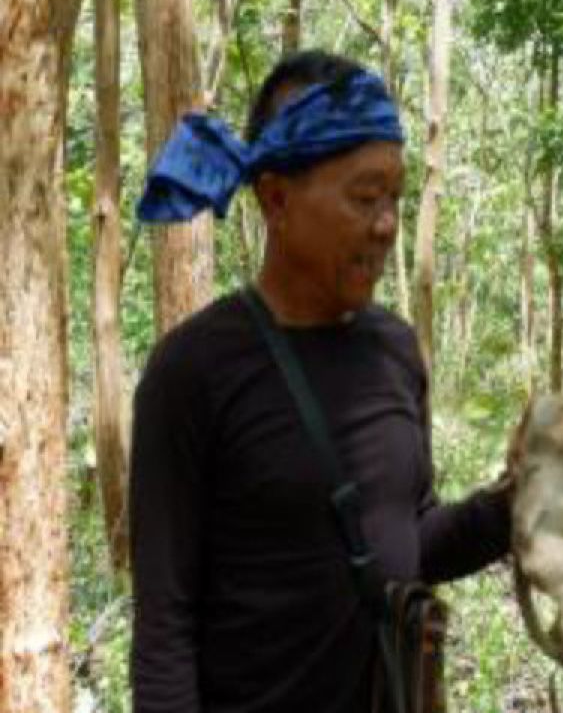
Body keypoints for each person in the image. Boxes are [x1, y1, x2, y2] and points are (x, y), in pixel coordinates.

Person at [130, 50, 512, 712]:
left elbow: (406, 538)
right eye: (365, 197)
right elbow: (165, 631)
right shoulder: (191, 373)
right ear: (277, 198)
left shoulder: (395, 351)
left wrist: (518, 504)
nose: (388, 224)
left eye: (395, 196)